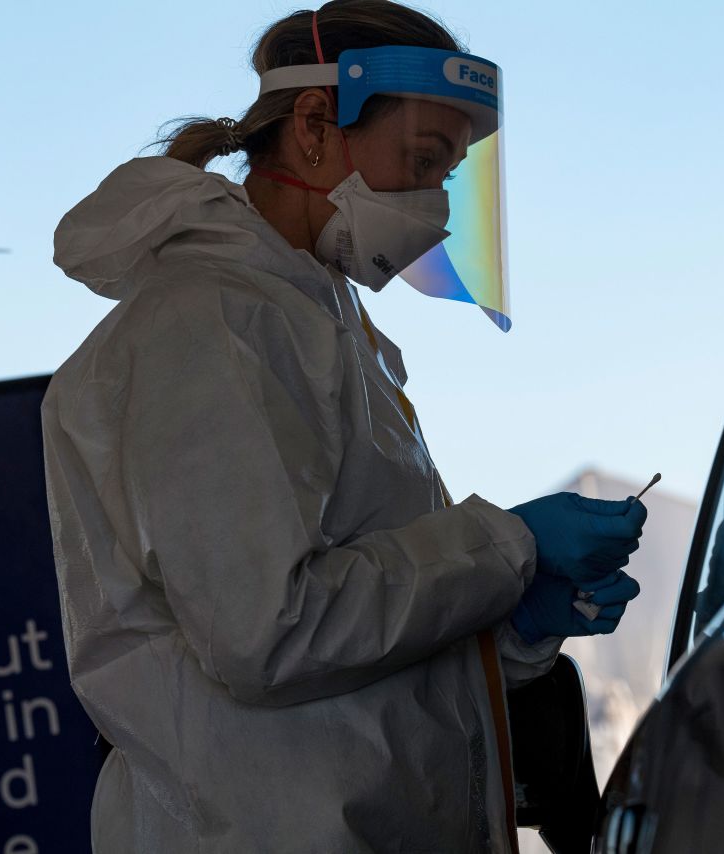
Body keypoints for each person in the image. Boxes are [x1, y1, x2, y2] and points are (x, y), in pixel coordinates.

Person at [40, 2, 646, 852]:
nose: (434, 204)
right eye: (423, 161)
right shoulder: (206, 322)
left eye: (449, 176)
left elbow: (368, 651)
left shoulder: (320, 323)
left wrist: (512, 628)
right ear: (318, 125)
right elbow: (268, 631)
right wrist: (506, 548)